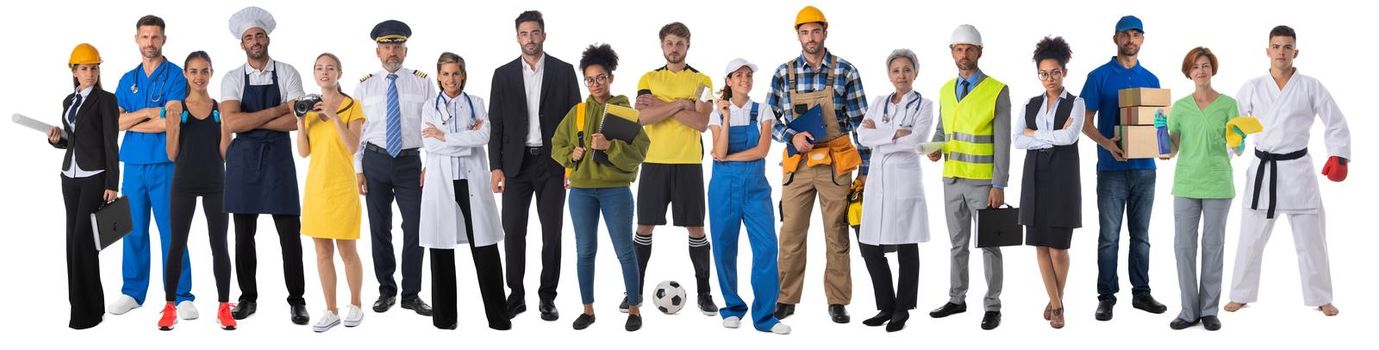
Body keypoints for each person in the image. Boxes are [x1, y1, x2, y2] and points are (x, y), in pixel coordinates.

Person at [1226, 25, 1350, 318]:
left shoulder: (1311, 86)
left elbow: (1335, 121)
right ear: (1267, 51)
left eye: (1287, 46)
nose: (1281, 52)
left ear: (1296, 51)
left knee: (1312, 239)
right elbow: (1233, 126)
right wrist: (1231, 146)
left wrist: (1339, 155)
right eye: (1276, 46)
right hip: (1262, 170)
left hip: (1297, 171)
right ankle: (1240, 295)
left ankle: (1321, 297)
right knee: (1250, 237)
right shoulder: (1252, 87)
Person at [766, 5, 869, 324]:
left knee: (836, 233)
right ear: (797, 35)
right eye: (804, 32)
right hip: (798, 164)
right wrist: (790, 137)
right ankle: (785, 297)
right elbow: (769, 119)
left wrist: (865, 169)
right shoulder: (784, 73)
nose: (810, 38)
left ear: (825, 32)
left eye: (816, 31)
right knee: (791, 232)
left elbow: (862, 124)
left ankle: (837, 300)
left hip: (836, 165)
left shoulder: (846, 71)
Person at [488, 10, 582, 322]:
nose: (530, 39)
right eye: (524, 34)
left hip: (553, 163)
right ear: (517, 37)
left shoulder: (564, 71)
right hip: (515, 165)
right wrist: (496, 167)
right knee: (513, 231)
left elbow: (576, 122)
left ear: (544, 34)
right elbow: (496, 125)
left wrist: (572, 164)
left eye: (535, 33)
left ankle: (547, 297)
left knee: (552, 232)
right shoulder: (502, 75)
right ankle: (515, 295)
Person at [551, 43, 651, 332]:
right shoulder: (578, 112)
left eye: (601, 78)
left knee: (624, 251)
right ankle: (588, 309)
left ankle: (633, 308)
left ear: (611, 78)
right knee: (585, 251)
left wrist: (610, 147)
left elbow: (641, 150)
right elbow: (556, 145)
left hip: (615, 189)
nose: (596, 84)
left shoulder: (623, 110)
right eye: (590, 79)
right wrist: (572, 154)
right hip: (581, 191)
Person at [220, 6, 309, 324]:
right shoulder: (232, 78)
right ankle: (247, 298)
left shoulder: (287, 72)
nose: (254, 41)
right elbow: (231, 122)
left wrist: (251, 121)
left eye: (259, 35)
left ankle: (297, 299)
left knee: (290, 234)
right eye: (249, 37)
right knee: (243, 236)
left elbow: (299, 120)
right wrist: (277, 110)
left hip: (277, 162)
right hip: (243, 163)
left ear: (266, 39)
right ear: (241, 44)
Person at [1079, 15, 1168, 321]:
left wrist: (1164, 148)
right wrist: (1107, 144)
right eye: (1125, 35)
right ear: (1115, 39)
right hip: (1111, 169)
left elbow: (1159, 124)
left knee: (1141, 236)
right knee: (1109, 236)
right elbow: (1083, 122)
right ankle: (1106, 296)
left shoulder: (1151, 79)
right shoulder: (1098, 77)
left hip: (1146, 170)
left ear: (1142, 39)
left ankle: (1141, 293)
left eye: (1136, 34)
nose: (1131, 39)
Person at [925, 24, 1011, 331]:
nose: (964, 55)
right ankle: (957, 299)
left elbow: (1003, 142)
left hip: (983, 183)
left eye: (969, 49)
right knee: (957, 244)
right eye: (959, 49)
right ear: (952, 53)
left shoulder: (997, 90)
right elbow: (942, 129)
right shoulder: (946, 89)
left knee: (989, 245)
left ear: (979, 53)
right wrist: (935, 149)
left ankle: (992, 305)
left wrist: (999, 184)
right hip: (952, 180)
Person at [630, 22, 718, 315]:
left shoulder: (703, 80)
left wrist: (663, 105)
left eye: (680, 43)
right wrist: (682, 105)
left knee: (696, 227)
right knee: (644, 226)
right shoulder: (648, 77)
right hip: (653, 161)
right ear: (662, 45)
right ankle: (634, 291)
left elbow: (702, 123)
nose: (674, 48)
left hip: (688, 163)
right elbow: (642, 118)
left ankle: (704, 292)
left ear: (688, 46)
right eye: (669, 43)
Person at [419, 52, 511, 331]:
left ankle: (498, 318)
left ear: (463, 75)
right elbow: (430, 146)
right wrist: (466, 139)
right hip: (441, 183)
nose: (451, 79)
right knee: (441, 248)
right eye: (445, 74)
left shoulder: (477, 104)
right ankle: (445, 319)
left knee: (485, 248)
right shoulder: (429, 108)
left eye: (455, 73)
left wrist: (445, 136)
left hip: (471, 181)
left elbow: (483, 138)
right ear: (438, 76)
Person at [110, 14, 193, 318]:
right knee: (132, 230)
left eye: (155, 37)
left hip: (165, 164)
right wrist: (147, 112)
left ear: (164, 40)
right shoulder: (127, 80)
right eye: (144, 37)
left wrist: (133, 121)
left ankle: (181, 295)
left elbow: (169, 121)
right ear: (137, 39)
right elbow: (114, 123)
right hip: (132, 165)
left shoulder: (175, 76)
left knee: (173, 231)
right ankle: (132, 292)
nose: (150, 42)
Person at [353, 19, 433, 317]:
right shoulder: (364, 86)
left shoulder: (423, 82)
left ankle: (411, 293)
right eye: (386, 46)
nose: (392, 52)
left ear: (405, 49)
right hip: (374, 161)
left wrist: (432, 164)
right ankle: (386, 290)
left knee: (415, 227)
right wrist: (359, 169)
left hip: (410, 162)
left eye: (397, 46)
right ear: (378, 51)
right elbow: (357, 132)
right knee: (379, 228)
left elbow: (434, 126)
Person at [707, 58, 791, 335]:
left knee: (767, 248)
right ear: (728, 81)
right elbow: (717, 151)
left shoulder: (763, 110)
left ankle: (766, 317)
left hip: (755, 188)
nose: (745, 79)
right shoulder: (716, 113)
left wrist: (727, 157)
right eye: (738, 75)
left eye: (748, 75)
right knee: (724, 247)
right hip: (723, 189)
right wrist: (726, 115)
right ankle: (732, 308)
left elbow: (762, 151)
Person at [855, 49, 934, 333]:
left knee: (906, 245)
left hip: (904, 181)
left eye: (907, 70)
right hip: (877, 182)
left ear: (915, 73)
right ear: (889, 74)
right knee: (870, 246)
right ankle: (885, 305)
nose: (901, 75)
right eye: (896, 70)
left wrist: (883, 136)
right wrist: (893, 133)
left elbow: (917, 141)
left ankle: (902, 308)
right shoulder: (878, 102)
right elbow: (862, 136)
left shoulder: (924, 105)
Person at [158, 51, 236, 330]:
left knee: (220, 246)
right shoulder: (176, 107)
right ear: (185, 74)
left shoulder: (219, 108)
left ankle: (224, 306)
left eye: (204, 71)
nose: (199, 77)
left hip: (216, 182)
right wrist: (175, 122)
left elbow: (224, 154)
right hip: (184, 183)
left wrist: (227, 128)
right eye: (193, 71)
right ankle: (169, 306)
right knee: (176, 244)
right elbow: (171, 153)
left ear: (211, 73)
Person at [1162, 47, 1238, 331]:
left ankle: (1209, 311)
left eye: (1205, 65)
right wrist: (1161, 140)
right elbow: (1172, 149)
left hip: (1218, 183)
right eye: (1195, 67)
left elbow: (1236, 145)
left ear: (1212, 69)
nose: (1201, 71)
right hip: (1186, 184)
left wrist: (1240, 141)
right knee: (1183, 247)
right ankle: (1188, 310)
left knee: (1213, 247)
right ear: (1189, 72)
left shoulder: (1229, 104)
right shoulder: (1180, 107)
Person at [1013, 36, 1084, 330]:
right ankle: (1056, 304)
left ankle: (1058, 298)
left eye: (1055, 72)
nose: (1049, 78)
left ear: (1064, 72)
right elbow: (1017, 140)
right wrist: (1043, 136)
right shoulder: (1030, 104)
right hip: (1034, 177)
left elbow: (1070, 138)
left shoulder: (1076, 103)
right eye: (1044, 73)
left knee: (1059, 248)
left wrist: (1035, 135)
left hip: (1063, 179)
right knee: (1040, 245)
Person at [48, 43, 120, 330]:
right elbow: (74, 140)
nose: (90, 72)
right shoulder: (69, 100)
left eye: (94, 67)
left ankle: (87, 314)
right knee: (72, 243)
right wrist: (57, 140)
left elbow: (109, 143)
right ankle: (86, 306)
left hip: (94, 178)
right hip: (70, 177)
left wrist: (112, 183)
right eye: (84, 68)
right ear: (74, 71)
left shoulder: (106, 100)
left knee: (84, 242)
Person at [296, 53, 366, 332]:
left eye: (330, 68)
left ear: (339, 72)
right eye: (319, 68)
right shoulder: (309, 108)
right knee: (322, 251)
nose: (324, 72)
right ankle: (330, 309)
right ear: (314, 74)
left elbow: (352, 146)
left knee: (347, 249)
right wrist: (301, 121)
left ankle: (356, 304)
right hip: (317, 187)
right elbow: (303, 152)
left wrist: (334, 115)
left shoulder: (352, 106)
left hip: (342, 187)